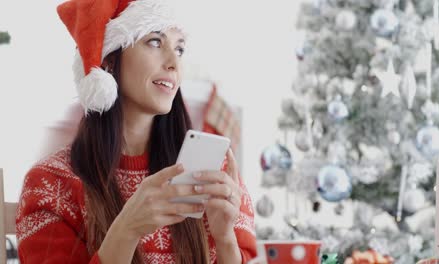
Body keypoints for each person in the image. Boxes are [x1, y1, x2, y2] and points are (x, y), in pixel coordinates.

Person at [15, 0, 257, 263]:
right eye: (155, 41)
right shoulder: (50, 184)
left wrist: (225, 240)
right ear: (108, 60)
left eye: (180, 48)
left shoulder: (214, 175)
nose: (174, 62)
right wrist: (127, 229)